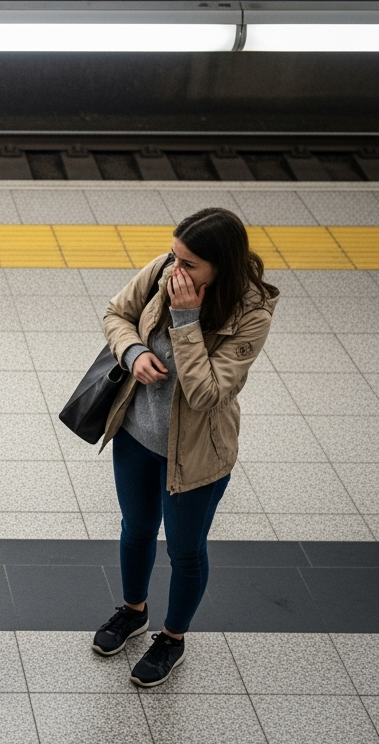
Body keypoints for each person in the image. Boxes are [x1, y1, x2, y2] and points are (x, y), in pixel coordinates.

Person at [92, 208, 280, 687]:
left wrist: (185, 318)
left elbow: (207, 394)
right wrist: (133, 353)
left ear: (223, 266)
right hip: (137, 434)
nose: (176, 271)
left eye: (190, 264)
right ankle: (134, 612)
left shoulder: (251, 313)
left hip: (198, 453)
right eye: (175, 256)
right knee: (135, 529)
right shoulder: (161, 269)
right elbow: (117, 313)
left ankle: (172, 639)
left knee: (185, 549)